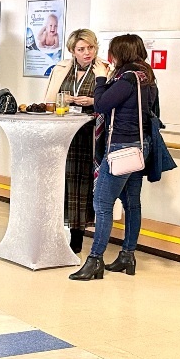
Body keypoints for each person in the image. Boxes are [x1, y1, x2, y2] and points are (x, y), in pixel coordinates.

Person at [70, 34, 158, 281]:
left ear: (121, 53)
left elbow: (101, 104)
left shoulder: (128, 78)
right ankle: (127, 255)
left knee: (102, 202)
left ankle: (95, 259)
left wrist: (100, 78)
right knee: (132, 202)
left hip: (122, 147)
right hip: (140, 146)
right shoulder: (146, 76)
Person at [43, 29, 111, 254]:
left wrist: (92, 100)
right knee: (64, 183)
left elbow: (110, 101)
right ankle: (60, 231)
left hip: (91, 135)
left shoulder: (104, 69)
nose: (87, 53)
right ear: (72, 50)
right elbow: (49, 100)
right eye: (81, 49)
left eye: (90, 48)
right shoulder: (62, 69)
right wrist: (65, 99)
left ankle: (78, 236)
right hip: (65, 135)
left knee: (85, 186)